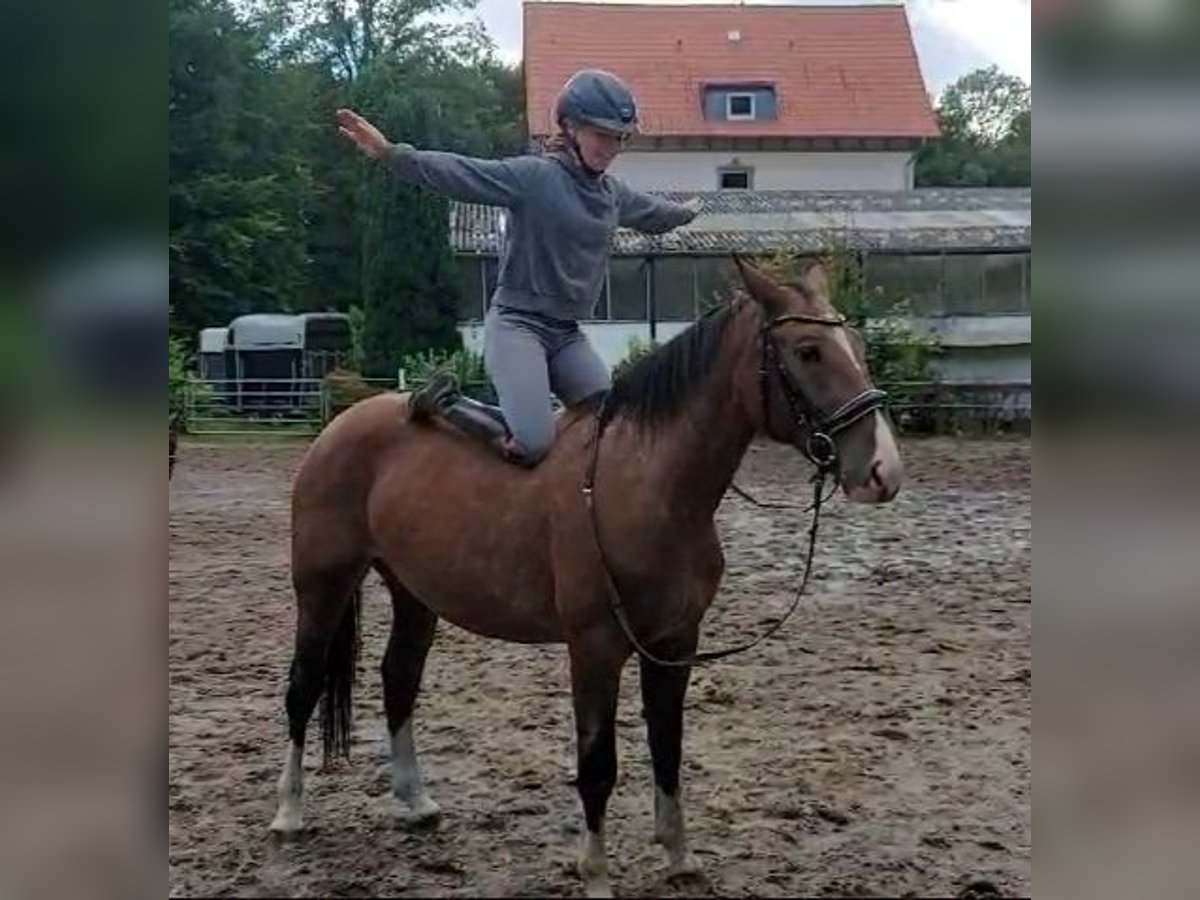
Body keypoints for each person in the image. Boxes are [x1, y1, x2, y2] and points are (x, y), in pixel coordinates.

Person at [336, 68, 701, 466]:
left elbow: (654, 214)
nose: (611, 146)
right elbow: (462, 173)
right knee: (533, 441)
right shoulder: (535, 177)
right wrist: (392, 154)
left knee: (610, 427)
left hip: (565, 335)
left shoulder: (613, 195)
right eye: (602, 134)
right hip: (517, 324)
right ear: (571, 127)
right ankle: (445, 403)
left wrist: (687, 213)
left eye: (619, 137)